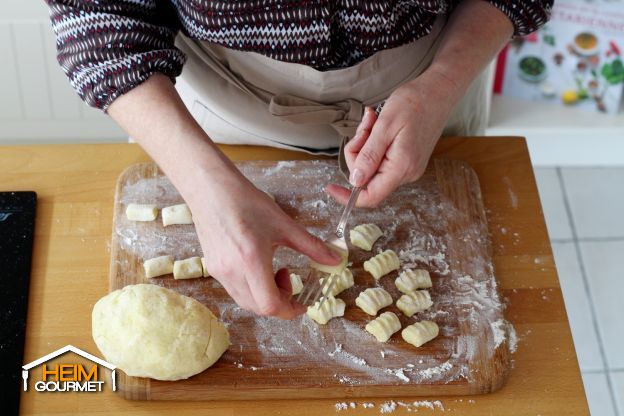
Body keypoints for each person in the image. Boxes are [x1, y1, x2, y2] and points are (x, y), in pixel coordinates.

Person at [47, 0, 551, 319]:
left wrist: (442, 84)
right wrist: (203, 187)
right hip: (216, 107)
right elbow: (98, 19)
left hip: (438, 72)